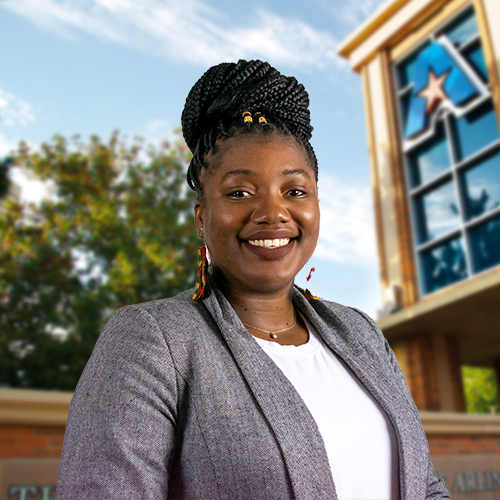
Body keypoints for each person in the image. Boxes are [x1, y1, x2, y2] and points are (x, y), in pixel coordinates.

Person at [56, 60, 449, 500]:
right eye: (240, 193)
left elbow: (426, 486)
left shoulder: (361, 334)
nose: (272, 213)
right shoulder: (153, 342)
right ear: (201, 218)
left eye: (295, 191)